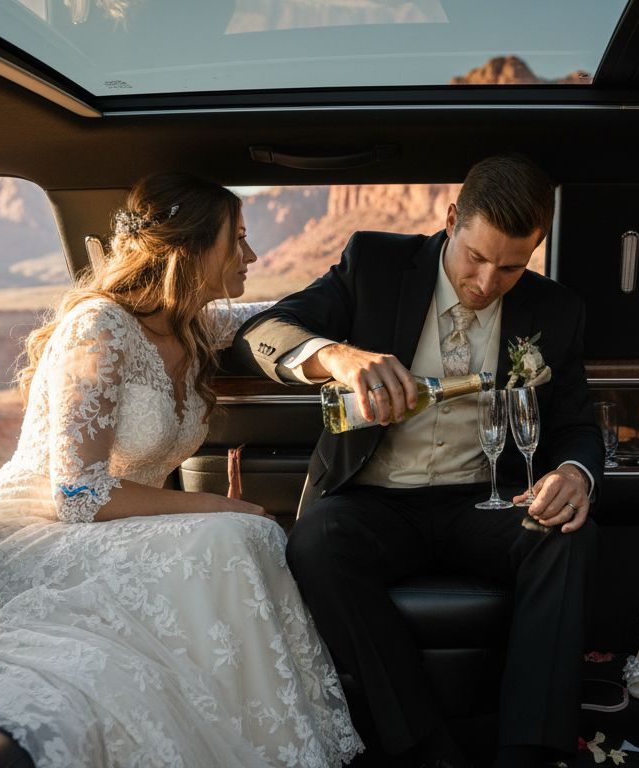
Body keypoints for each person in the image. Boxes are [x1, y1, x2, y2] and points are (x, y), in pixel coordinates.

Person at [0, 172, 363, 768]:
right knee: (239, 534)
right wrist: (218, 506)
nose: (252, 255)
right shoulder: (99, 327)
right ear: (191, 248)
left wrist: (344, 344)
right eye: (237, 239)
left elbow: (285, 317)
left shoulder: (198, 326)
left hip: (103, 535)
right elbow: (79, 494)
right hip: (19, 542)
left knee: (241, 538)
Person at [238, 154, 602, 768]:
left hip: (488, 499)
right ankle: (425, 750)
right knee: (317, 541)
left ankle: (528, 752)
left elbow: (575, 427)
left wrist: (573, 473)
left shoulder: (556, 310)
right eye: (476, 257)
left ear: (535, 251)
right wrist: (338, 357)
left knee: (567, 536)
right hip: (377, 500)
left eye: (511, 267)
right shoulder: (374, 264)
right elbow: (264, 331)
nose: (486, 282)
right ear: (452, 219)